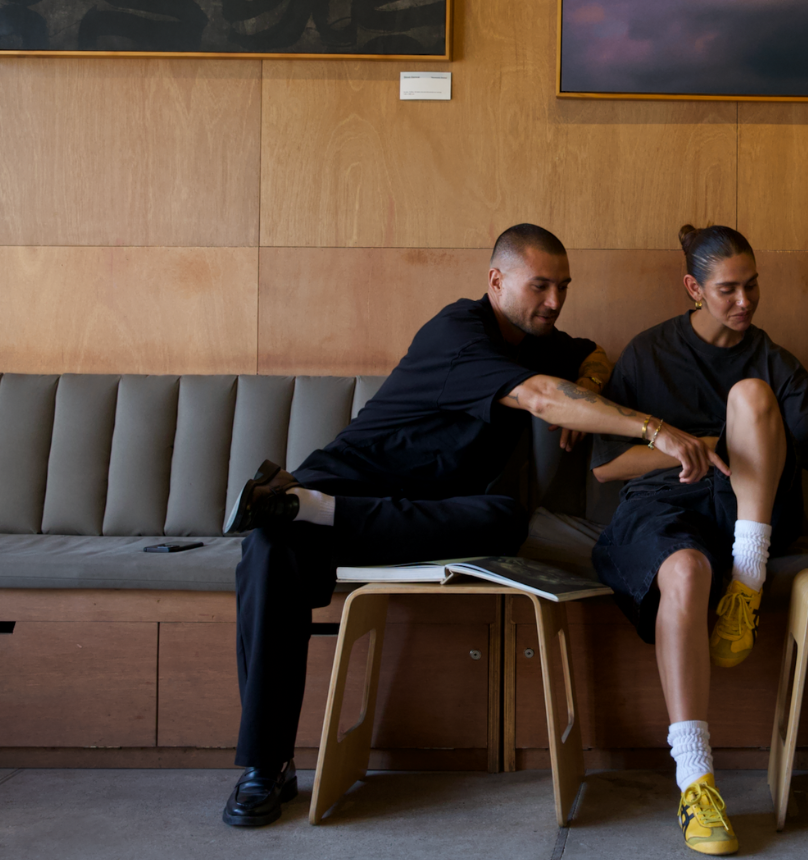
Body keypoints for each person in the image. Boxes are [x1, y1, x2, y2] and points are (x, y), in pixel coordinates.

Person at [218, 224, 725, 828]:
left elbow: (592, 353)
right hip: (348, 481)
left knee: (504, 517)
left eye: (563, 287)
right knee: (268, 547)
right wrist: (654, 429)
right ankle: (265, 766)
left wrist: (588, 385)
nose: (555, 301)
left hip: (425, 514)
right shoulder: (458, 332)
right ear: (496, 280)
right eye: (540, 286)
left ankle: (311, 512)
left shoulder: (536, 337)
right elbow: (540, 398)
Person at [591, 224, 808, 855]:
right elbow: (605, 467)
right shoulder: (648, 353)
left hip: (749, 512)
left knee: (751, 396)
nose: (745, 301)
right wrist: (695, 446)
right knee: (685, 573)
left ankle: (747, 583)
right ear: (693, 288)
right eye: (728, 289)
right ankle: (696, 783)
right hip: (663, 505)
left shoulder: (773, 362)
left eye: (752, 285)